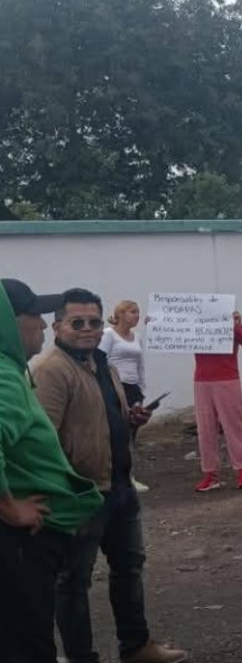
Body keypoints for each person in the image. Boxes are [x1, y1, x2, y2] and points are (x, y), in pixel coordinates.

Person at [33, 288, 188, 663]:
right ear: (58, 327)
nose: (87, 329)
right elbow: (44, 438)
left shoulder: (104, 364)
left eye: (93, 322)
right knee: (73, 583)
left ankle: (136, 648)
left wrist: (130, 418)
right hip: (82, 494)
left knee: (128, 570)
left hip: (119, 485)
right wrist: (62, 491)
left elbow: (102, 419)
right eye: (77, 323)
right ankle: (80, 656)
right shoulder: (52, 371)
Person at [0, 279, 103, 663]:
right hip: (23, 538)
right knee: (27, 641)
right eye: (36, 317)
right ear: (8, 322)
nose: (43, 326)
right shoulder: (5, 377)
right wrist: (10, 507)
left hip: (27, 539)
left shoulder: (14, 370)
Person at [194, 310, 242, 491]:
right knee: (205, 428)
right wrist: (157, 324)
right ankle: (210, 474)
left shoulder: (231, 326)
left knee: (234, 426)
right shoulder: (194, 327)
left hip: (227, 379)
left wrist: (238, 325)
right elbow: (172, 337)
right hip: (202, 380)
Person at [101, 300, 150, 493]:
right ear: (119, 314)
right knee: (117, 432)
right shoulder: (108, 334)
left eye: (138, 312)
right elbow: (100, 360)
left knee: (132, 432)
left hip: (133, 387)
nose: (136, 316)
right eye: (132, 312)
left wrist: (141, 387)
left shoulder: (136, 336)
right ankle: (113, 475)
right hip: (115, 386)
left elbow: (140, 364)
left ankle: (129, 476)